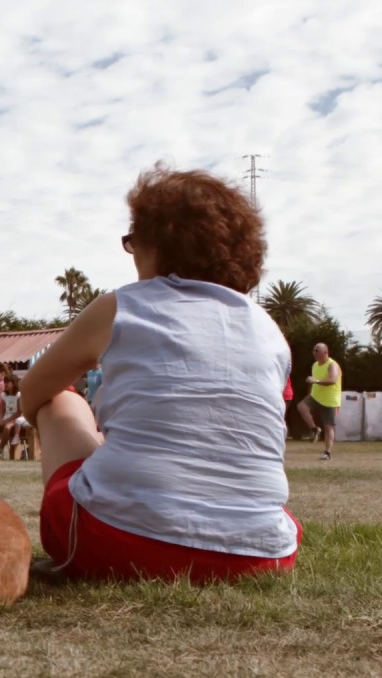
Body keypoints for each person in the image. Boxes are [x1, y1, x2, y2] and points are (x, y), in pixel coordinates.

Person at [20, 163, 300, 585]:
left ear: (155, 241)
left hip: (121, 544)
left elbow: (33, 391)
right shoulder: (269, 330)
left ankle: (103, 510)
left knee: (61, 400)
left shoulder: (122, 306)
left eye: (133, 240)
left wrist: (95, 443)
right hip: (263, 555)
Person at [296, 343, 341, 461]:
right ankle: (314, 429)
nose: (314, 353)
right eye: (313, 350)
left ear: (325, 352)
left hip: (330, 399)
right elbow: (313, 382)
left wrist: (316, 381)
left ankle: (327, 453)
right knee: (301, 406)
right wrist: (310, 392)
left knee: (328, 427)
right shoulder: (315, 365)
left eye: (317, 351)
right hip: (315, 397)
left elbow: (333, 380)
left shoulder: (332, 365)